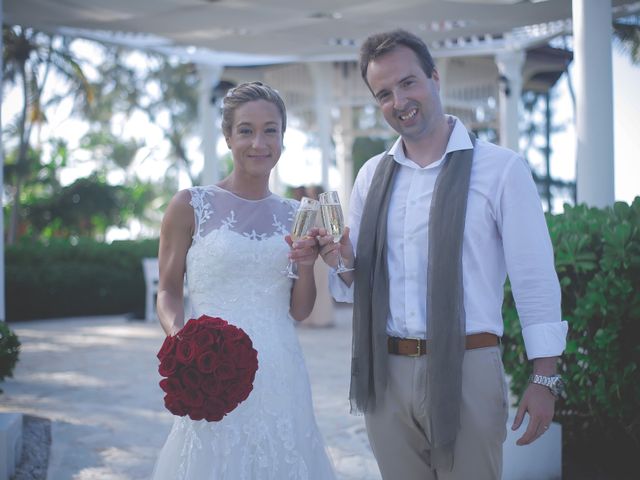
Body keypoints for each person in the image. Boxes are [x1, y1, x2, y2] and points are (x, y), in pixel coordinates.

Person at [318, 29, 568, 480]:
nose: (399, 101)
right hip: (386, 373)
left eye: (408, 82)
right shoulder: (372, 175)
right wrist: (337, 257)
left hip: (469, 367)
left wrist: (544, 377)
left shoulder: (501, 169)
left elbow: (534, 278)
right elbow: (357, 281)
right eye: (384, 94)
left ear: (434, 76)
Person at [152, 81, 336, 479]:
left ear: (283, 137)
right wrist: (182, 338)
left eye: (271, 130)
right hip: (210, 369)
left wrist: (306, 263)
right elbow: (167, 290)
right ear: (228, 137)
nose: (259, 143)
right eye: (246, 130)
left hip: (280, 370)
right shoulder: (189, 205)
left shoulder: (297, 213)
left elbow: (300, 310)